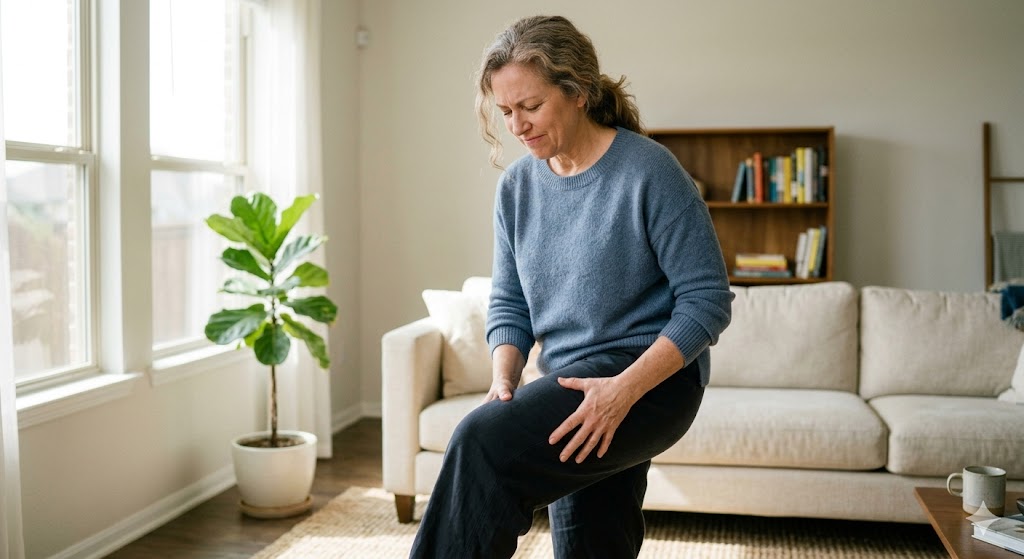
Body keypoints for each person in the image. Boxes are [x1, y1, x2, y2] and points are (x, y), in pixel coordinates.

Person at [409, 15, 733, 559]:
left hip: (653, 384)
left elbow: (707, 300)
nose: (517, 126)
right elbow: (510, 301)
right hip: (572, 379)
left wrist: (622, 391)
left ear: (578, 92)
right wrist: (504, 377)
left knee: (480, 444)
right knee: (593, 537)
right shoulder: (517, 187)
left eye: (531, 106)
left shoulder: (649, 171)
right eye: (505, 111)